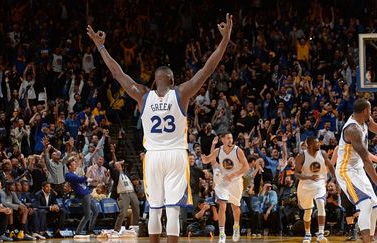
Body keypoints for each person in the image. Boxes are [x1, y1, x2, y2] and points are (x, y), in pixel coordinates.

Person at [87, 13, 233, 243]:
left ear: (155, 81)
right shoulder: (182, 93)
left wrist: (101, 47)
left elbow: (117, 73)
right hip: (176, 154)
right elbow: (207, 69)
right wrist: (225, 39)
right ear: (173, 81)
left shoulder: (143, 95)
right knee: (173, 209)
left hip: (153, 156)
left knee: (154, 208)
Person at [336, 99, 377, 243]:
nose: (371, 112)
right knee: (365, 204)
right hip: (346, 170)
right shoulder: (352, 130)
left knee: (375, 205)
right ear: (365, 110)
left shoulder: (365, 119)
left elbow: (375, 127)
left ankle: (370, 239)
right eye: (370, 109)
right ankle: (366, 240)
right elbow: (366, 160)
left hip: (358, 169)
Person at [201, 133, 250, 242]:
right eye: (228, 138)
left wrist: (233, 175)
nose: (230, 140)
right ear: (222, 139)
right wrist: (204, 159)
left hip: (236, 181)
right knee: (222, 206)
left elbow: (246, 167)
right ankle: (222, 234)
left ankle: (236, 226)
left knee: (235, 207)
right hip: (223, 181)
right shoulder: (218, 150)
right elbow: (208, 160)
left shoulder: (238, 150)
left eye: (231, 138)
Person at [295, 136, 335, 243]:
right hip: (305, 185)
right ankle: (307, 234)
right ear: (309, 144)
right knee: (308, 211)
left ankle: (321, 234)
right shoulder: (301, 156)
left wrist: (335, 179)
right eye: (316, 143)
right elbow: (296, 174)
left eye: (319, 143)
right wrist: (308, 177)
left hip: (319, 182)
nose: (319, 144)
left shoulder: (322, 153)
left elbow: (330, 166)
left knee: (321, 204)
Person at [65, 159, 97, 237]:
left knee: (95, 211)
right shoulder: (68, 175)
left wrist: (91, 179)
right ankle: (78, 232)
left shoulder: (75, 173)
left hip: (87, 193)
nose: (75, 165)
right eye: (73, 164)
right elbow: (80, 180)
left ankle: (90, 229)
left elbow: (83, 181)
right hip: (83, 195)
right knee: (87, 215)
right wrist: (89, 171)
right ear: (69, 166)